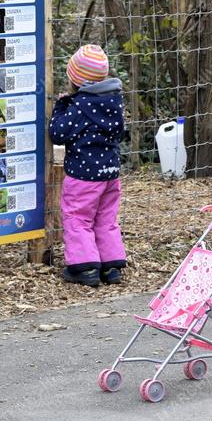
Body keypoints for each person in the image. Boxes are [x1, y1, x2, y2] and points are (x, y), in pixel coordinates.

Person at [48, 44, 127, 287]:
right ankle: (112, 266)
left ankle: (85, 268)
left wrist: (62, 106)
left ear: (76, 79)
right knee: (106, 218)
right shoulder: (114, 102)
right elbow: (120, 133)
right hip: (110, 174)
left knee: (77, 217)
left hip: (83, 176)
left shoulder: (79, 107)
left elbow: (57, 133)